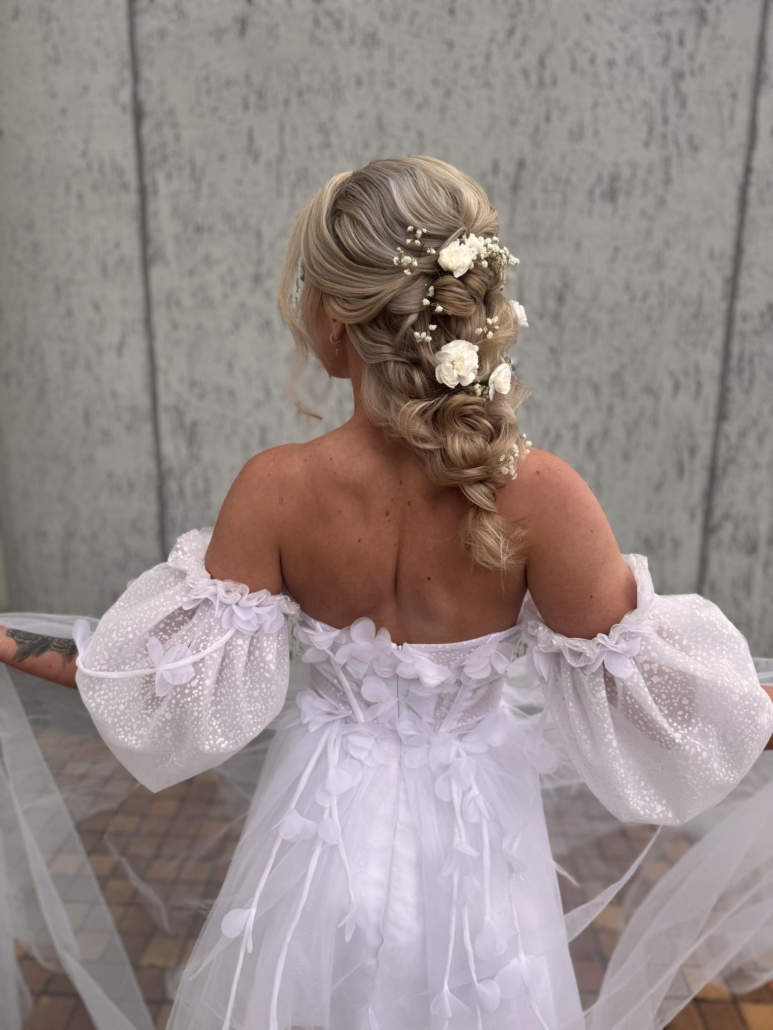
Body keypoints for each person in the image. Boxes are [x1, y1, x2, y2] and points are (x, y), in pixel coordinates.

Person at [1, 155, 772, 1030]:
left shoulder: (278, 491)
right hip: (478, 833)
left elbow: (153, 682)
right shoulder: (540, 496)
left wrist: (10, 641)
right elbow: (664, 702)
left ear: (334, 321)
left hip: (321, 824)